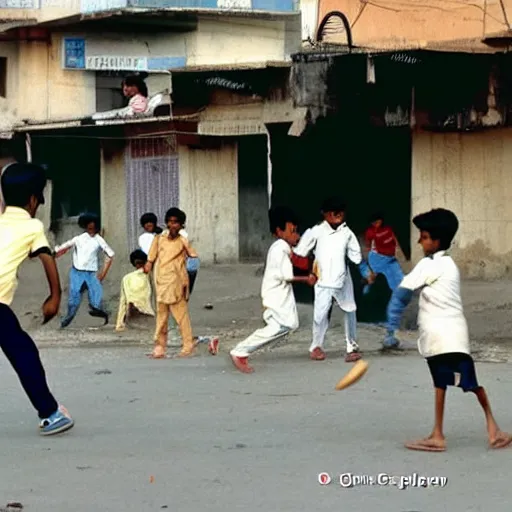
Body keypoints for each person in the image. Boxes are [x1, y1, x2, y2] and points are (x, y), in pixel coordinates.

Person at [385, 208, 512, 451]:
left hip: (442, 338)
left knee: (457, 383)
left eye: (423, 236)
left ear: (436, 240)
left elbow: (401, 294)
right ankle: (450, 431)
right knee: (452, 383)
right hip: (452, 337)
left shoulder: (429, 265)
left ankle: (452, 433)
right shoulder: (449, 265)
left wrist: (391, 325)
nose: (420, 240)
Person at [0, 162, 74, 435]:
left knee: (21, 350)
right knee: (24, 353)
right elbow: (46, 257)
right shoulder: (32, 226)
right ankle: (51, 413)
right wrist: (55, 296)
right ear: (33, 199)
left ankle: (50, 410)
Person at [230, 206, 317, 373]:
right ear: (279, 231)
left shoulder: (283, 247)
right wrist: (307, 279)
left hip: (281, 292)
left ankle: (250, 348)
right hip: (275, 293)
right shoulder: (280, 247)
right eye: (292, 231)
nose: (296, 235)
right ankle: (241, 351)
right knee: (282, 325)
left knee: (291, 324)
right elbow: (287, 275)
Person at [293, 197, 374, 363]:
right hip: (322, 280)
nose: (337, 215)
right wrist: (307, 270)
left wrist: (366, 272)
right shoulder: (316, 231)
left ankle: (352, 347)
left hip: (343, 280)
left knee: (350, 310)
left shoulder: (347, 233)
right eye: (333, 212)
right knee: (320, 314)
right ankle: (316, 346)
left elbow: (356, 258)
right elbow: (300, 252)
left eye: (340, 212)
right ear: (325, 214)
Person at [144, 207, 198, 359]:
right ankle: (160, 347)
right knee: (161, 317)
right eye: (170, 222)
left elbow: (194, 259)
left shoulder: (183, 242)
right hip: (160, 282)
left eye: (176, 223)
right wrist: (146, 269)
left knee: (181, 316)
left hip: (176, 283)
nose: (172, 225)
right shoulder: (159, 239)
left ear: (181, 225)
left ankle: (187, 345)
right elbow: (150, 259)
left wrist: (189, 279)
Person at [55, 213, 114, 328]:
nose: (92, 229)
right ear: (85, 227)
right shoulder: (78, 239)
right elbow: (64, 248)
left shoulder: (99, 240)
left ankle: (101, 315)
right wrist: (54, 254)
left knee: (96, 297)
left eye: (94, 227)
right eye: (89, 227)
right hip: (77, 272)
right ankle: (65, 321)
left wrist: (102, 274)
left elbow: (110, 255)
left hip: (91, 273)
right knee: (74, 299)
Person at [362, 211, 404, 294]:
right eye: (373, 222)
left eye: (377, 221)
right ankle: (366, 295)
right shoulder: (370, 232)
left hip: (391, 258)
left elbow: (394, 240)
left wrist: (398, 252)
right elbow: (368, 246)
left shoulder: (388, 228)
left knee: (399, 279)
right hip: (378, 258)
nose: (375, 224)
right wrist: (370, 263)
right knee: (378, 280)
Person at [115, 249, 155, 332]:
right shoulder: (149, 276)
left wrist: (119, 324)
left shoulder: (126, 278)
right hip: (148, 315)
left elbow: (123, 302)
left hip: (131, 317)